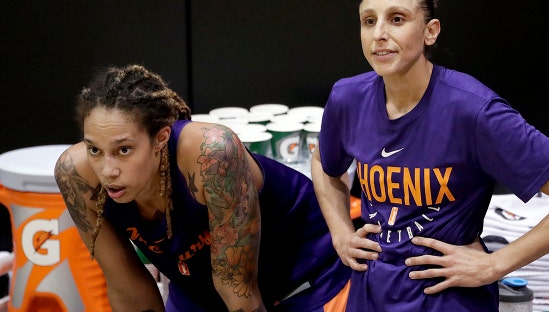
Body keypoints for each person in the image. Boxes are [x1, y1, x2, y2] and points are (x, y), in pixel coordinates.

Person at [310, 0, 549, 311]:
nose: (379, 33)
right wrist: (341, 232)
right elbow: (323, 162)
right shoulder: (347, 98)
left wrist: (495, 265)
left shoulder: (474, 110)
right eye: (369, 21)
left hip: (447, 297)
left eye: (397, 19)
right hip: (370, 292)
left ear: (430, 31)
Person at [53, 64, 351, 312]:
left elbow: (238, 290)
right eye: (94, 150)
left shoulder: (212, 154)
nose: (107, 171)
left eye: (124, 150)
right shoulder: (76, 176)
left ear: (160, 138)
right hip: (201, 297)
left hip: (306, 284)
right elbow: (127, 287)